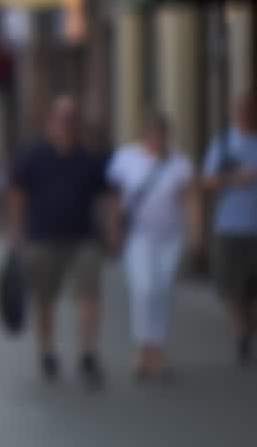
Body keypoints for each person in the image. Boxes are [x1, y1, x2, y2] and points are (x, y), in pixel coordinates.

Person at [7, 94, 115, 389]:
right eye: (61, 118)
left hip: (84, 237)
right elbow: (17, 193)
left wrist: (112, 230)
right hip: (43, 236)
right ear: (51, 122)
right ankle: (47, 351)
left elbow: (106, 196)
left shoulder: (88, 157)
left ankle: (88, 352)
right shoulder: (35, 156)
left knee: (89, 293)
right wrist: (15, 230)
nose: (66, 124)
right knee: (45, 297)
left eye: (71, 119)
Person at [105, 112, 197, 381]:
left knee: (162, 290)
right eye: (153, 133)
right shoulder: (127, 158)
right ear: (144, 134)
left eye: (162, 134)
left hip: (170, 236)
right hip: (138, 236)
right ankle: (141, 349)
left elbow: (190, 199)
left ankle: (158, 347)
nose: (157, 138)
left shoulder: (179, 163)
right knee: (143, 289)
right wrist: (113, 232)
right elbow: (114, 197)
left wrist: (195, 234)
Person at [200, 91, 257, 365]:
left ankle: (249, 327)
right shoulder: (222, 143)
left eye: (249, 108)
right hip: (231, 225)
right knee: (235, 289)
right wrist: (236, 178)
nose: (245, 113)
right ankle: (241, 337)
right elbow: (208, 181)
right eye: (241, 108)